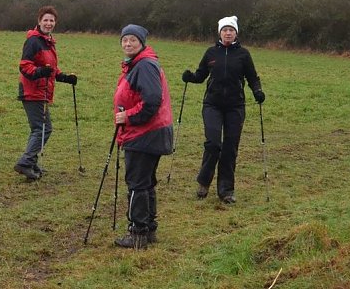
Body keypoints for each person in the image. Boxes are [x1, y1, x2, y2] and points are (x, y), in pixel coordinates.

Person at [182, 15, 265, 204]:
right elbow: (201, 75)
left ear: (236, 33)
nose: (228, 33)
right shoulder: (211, 53)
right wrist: (190, 77)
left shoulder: (243, 54)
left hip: (235, 106)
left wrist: (258, 91)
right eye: (225, 30)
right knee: (213, 143)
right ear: (220, 32)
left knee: (230, 147)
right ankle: (204, 182)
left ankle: (226, 190)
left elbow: (252, 78)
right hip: (212, 104)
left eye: (231, 30)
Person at [113, 24, 174, 249]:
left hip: (146, 134)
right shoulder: (138, 64)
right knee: (146, 182)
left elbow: (151, 102)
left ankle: (138, 233)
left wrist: (126, 116)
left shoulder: (145, 66)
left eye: (133, 40)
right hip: (149, 134)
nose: (128, 44)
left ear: (142, 43)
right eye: (125, 40)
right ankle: (148, 229)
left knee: (137, 183)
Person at [14, 5, 77, 181]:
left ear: (55, 23)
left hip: (42, 91)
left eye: (52, 20)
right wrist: (40, 72)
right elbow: (25, 66)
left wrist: (64, 77)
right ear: (39, 21)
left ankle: (31, 162)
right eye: (45, 20)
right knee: (42, 128)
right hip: (32, 91)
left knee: (41, 128)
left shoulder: (48, 41)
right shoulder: (34, 41)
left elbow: (51, 69)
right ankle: (25, 162)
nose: (48, 23)